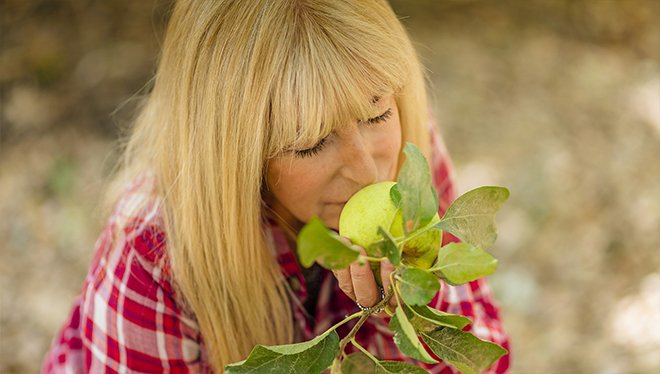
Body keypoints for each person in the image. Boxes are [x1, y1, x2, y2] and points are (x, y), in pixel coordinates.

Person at [43, 1, 510, 372]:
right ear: (236, 155)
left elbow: (487, 358)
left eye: (376, 114)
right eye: (310, 144)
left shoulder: (409, 149)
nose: (369, 174)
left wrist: (415, 316)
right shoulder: (153, 253)